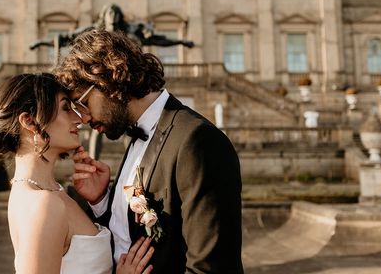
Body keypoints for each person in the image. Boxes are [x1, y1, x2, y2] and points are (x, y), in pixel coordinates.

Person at [54, 30, 244, 273]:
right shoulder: (136, 133)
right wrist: (103, 201)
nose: (83, 119)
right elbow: (127, 238)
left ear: (108, 79)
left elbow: (212, 268)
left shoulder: (198, 140)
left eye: (83, 103)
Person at [0, 73, 154, 274]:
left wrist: (98, 199)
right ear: (29, 121)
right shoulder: (44, 203)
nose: (78, 119)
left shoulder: (43, 192)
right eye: (65, 108)